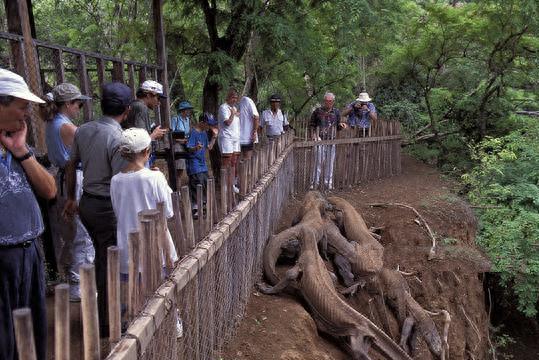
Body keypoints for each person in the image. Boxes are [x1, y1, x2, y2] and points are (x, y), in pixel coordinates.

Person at [63, 82, 132, 337]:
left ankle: (107, 309)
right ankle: (106, 321)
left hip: (87, 202)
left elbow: (72, 165)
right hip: (105, 207)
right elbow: (120, 180)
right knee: (108, 262)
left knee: (101, 258)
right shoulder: (118, 138)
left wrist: (71, 197)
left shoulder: (83, 130)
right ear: (126, 110)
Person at [0, 68, 56, 360]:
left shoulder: (18, 147)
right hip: (3, 257)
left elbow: (50, 190)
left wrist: (21, 151)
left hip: (30, 251)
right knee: (5, 340)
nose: (25, 115)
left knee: (32, 334)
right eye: (21, 107)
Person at [43, 83, 95, 301]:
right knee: (83, 234)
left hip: (62, 178)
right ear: (67, 104)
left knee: (69, 232)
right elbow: (87, 153)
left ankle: (67, 277)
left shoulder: (51, 123)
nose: (79, 107)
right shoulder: (67, 127)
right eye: (77, 103)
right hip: (73, 178)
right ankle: (78, 286)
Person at [110, 128, 178, 281]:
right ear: (147, 151)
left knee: (136, 300)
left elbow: (117, 213)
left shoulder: (115, 181)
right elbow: (168, 212)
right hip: (156, 250)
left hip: (128, 253)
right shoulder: (154, 177)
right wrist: (161, 179)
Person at [310, 92, 347, 189]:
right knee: (318, 162)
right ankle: (314, 183)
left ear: (333, 102)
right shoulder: (317, 111)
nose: (328, 103)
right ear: (324, 101)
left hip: (331, 140)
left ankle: (328, 183)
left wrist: (341, 126)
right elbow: (312, 125)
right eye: (326, 101)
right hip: (320, 140)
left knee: (330, 163)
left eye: (330, 101)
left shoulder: (336, 112)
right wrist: (314, 135)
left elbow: (338, 126)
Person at [186, 114, 217, 218]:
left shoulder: (204, 133)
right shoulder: (193, 132)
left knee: (205, 183)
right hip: (194, 164)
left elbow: (209, 147)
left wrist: (214, 137)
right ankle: (195, 209)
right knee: (196, 183)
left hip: (202, 164)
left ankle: (202, 206)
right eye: (208, 124)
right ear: (202, 122)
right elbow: (189, 148)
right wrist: (196, 147)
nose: (209, 127)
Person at [218, 88, 241, 193]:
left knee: (233, 162)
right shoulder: (223, 108)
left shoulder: (234, 108)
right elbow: (227, 122)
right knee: (226, 162)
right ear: (228, 97)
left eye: (236, 98)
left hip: (235, 138)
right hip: (226, 138)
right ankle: (224, 186)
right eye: (233, 97)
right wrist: (232, 114)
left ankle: (231, 185)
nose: (234, 100)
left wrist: (235, 113)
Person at [170, 100, 194, 182]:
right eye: (187, 109)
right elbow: (171, 135)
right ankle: (177, 190)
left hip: (186, 145)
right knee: (179, 169)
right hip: (178, 146)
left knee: (187, 167)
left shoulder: (188, 120)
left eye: (189, 109)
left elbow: (188, 133)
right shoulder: (175, 119)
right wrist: (181, 140)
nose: (189, 111)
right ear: (183, 111)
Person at [238, 95, 259, 160]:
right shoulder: (233, 103)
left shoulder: (247, 101)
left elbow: (256, 117)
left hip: (246, 137)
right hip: (235, 137)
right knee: (236, 161)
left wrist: (254, 132)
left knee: (246, 160)